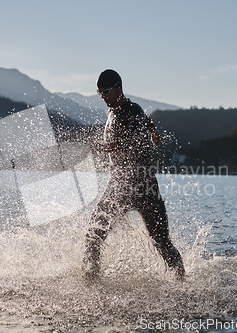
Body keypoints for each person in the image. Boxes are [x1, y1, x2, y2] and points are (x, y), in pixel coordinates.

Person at [83, 69, 185, 279]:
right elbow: (145, 123)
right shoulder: (119, 111)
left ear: (119, 87)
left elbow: (138, 144)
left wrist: (114, 146)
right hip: (128, 184)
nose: (104, 97)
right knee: (94, 234)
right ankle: (91, 278)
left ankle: (181, 279)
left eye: (107, 91)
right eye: (100, 93)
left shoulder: (131, 109)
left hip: (135, 184)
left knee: (161, 241)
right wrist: (153, 131)